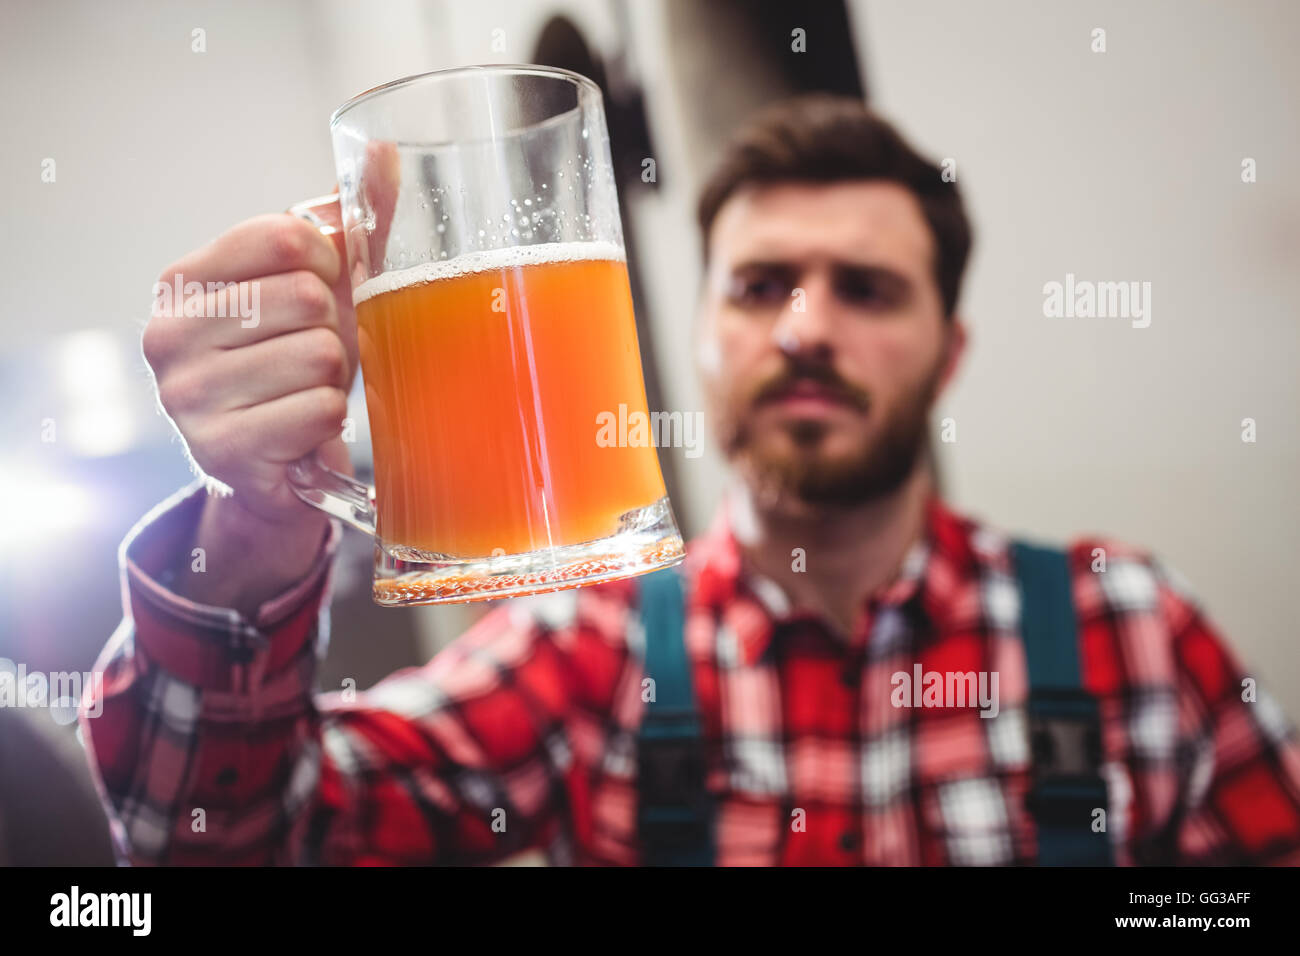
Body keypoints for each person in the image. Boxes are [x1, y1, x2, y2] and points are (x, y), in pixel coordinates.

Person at [81, 95, 1300, 866]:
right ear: (702, 333)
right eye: (761, 287)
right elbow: (226, 837)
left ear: (949, 353)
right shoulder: (589, 649)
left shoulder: (1126, 628)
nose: (806, 330)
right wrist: (255, 526)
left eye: (867, 290)